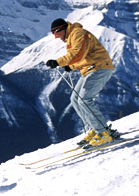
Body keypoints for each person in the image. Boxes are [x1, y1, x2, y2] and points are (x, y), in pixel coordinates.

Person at [46, 18, 117, 148]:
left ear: (61, 29)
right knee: (75, 99)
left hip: (100, 67)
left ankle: (103, 132)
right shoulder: (71, 36)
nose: (55, 37)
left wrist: (58, 62)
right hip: (90, 68)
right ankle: (95, 129)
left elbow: (77, 54)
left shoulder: (77, 33)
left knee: (85, 99)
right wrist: (71, 67)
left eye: (55, 33)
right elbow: (84, 57)